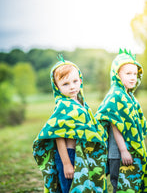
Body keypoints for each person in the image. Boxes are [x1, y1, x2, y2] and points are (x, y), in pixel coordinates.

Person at [33, 55, 108, 193]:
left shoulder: (81, 104)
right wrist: (67, 163)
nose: (72, 86)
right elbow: (58, 136)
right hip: (68, 155)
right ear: (57, 86)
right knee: (70, 188)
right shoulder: (63, 106)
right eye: (65, 84)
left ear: (80, 80)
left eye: (74, 81)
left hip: (81, 154)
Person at [95, 48, 147, 193]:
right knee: (120, 186)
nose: (132, 77)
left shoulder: (129, 96)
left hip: (130, 150)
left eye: (135, 74)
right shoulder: (116, 95)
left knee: (132, 185)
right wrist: (123, 150)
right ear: (117, 75)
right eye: (128, 73)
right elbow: (115, 124)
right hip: (118, 153)